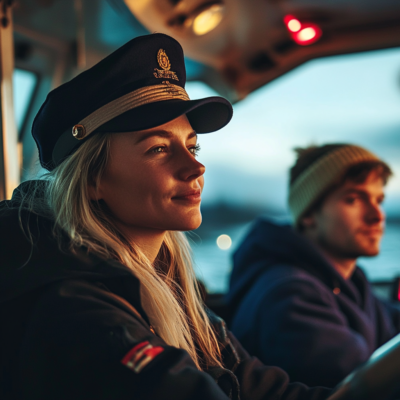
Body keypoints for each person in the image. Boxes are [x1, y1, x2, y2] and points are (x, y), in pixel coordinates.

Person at [0, 34, 331, 400]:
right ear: (94, 179)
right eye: (158, 148)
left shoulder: (166, 282)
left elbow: (264, 389)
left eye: (192, 146)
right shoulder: (79, 314)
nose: (195, 166)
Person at [227, 143, 400, 388]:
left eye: (378, 200)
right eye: (353, 199)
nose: (377, 215)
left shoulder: (348, 282)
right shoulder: (290, 295)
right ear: (308, 214)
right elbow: (366, 388)